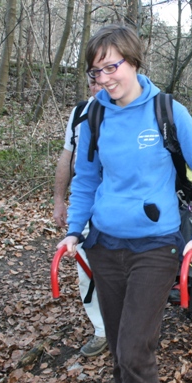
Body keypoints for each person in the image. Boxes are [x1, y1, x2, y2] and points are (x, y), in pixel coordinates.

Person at [56, 25, 192, 383]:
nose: (104, 78)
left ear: (133, 62)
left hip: (157, 246)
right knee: (119, 354)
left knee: (134, 351)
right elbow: (86, 180)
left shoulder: (167, 111)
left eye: (112, 67)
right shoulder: (93, 115)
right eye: (95, 72)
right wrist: (75, 230)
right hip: (104, 246)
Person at [53, 78, 108, 358]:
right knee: (86, 266)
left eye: (102, 82)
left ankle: (132, 324)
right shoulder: (80, 113)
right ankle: (101, 329)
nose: (97, 88)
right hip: (86, 202)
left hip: (120, 204)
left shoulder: (130, 110)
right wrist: (60, 201)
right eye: (91, 82)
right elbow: (67, 157)